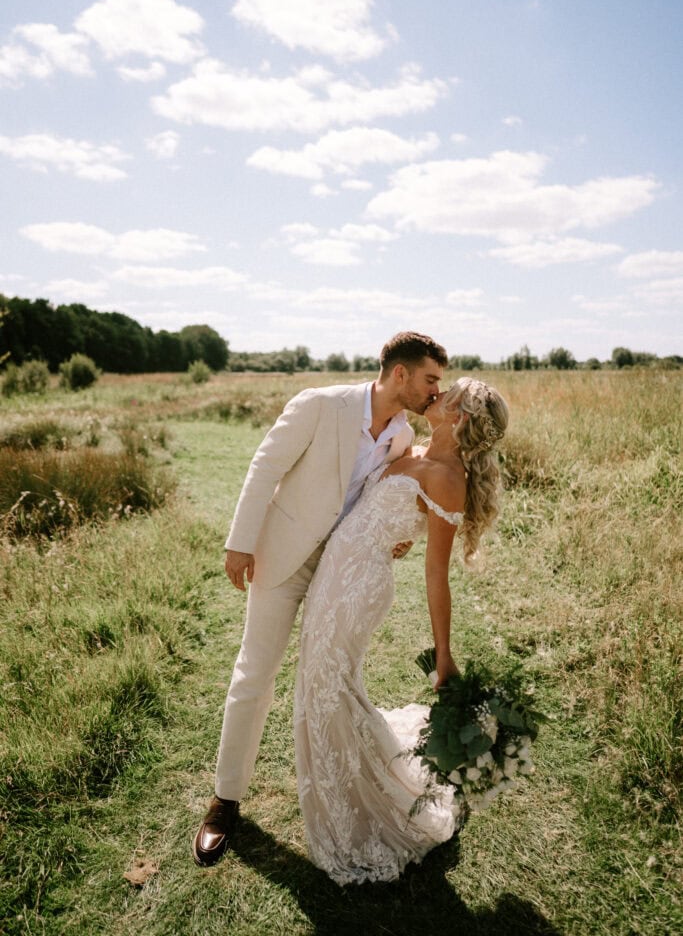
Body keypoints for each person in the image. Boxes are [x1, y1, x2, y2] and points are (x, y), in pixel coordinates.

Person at [193, 332, 449, 866]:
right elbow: (265, 468)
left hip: (340, 572)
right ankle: (225, 800)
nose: (434, 391)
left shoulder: (402, 436)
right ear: (399, 374)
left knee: (328, 680)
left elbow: (383, 494)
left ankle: (339, 792)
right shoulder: (318, 404)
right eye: (430, 379)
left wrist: (394, 532)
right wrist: (240, 543)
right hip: (281, 557)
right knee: (255, 673)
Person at [294, 376, 509, 885]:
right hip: (335, 572)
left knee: (329, 686)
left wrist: (444, 654)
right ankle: (346, 786)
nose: (438, 393)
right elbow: (382, 508)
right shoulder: (409, 445)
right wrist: (399, 533)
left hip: (359, 586)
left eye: (450, 394)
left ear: (460, 418)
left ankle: (363, 811)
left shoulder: (448, 477)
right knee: (319, 681)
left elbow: (438, 575)